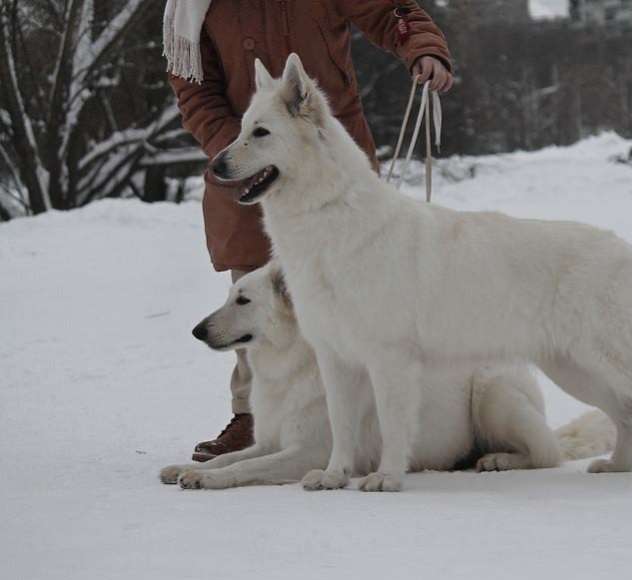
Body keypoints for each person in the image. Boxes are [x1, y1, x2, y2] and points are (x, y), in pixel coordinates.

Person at [164, 0, 454, 462]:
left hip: (333, 169)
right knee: (258, 300)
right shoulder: (194, 7)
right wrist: (239, 149)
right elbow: (194, 90)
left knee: (358, 297)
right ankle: (255, 419)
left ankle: (372, 414)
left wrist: (423, 50)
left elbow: (389, 11)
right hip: (250, 171)